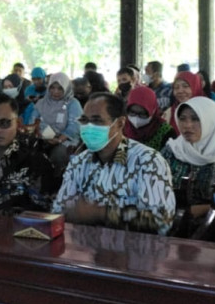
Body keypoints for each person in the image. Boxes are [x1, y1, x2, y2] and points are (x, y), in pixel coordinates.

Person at [52, 92, 176, 235]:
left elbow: (161, 220)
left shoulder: (148, 161)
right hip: (84, 250)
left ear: (119, 123)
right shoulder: (79, 162)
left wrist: (103, 213)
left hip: (132, 252)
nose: (88, 127)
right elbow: (59, 211)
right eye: (84, 121)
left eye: (97, 121)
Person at [29, 71, 82, 171]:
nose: (55, 91)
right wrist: (43, 135)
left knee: (58, 156)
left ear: (66, 88)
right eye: (52, 88)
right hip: (42, 138)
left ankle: (57, 182)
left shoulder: (73, 103)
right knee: (29, 153)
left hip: (66, 140)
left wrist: (59, 139)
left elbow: (75, 125)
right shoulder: (41, 102)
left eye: (60, 88)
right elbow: (33, 121)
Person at [123, 85, 174, 152]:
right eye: (132, 112)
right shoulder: (122, 127)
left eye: (142, 114)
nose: (136, 118)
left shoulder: (166, 132)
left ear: (153, 111)